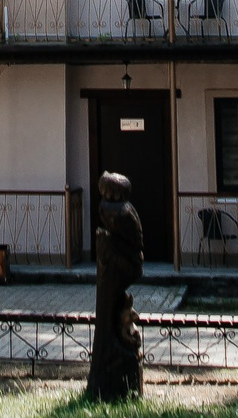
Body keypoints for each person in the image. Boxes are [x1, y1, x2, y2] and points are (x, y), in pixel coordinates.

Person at [88, 170, 145, 399]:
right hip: (120, 263)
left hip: (124, 262)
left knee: (111, 303)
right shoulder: (120, 209)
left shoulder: (118, 211)